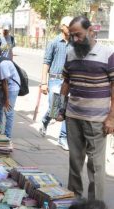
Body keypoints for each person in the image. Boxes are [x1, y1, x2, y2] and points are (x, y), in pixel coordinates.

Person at [58, 16, 114, 200]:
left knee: (96, 167)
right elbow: (66, 82)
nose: (75, 40)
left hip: (98, 121)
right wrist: (58, 109)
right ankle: (74, 200)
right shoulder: (70, 53)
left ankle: (95, 204)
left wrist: (111, 118)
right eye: (72, 36)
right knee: (75, 162)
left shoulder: (108, 54)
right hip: (73, 116)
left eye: (78, 35)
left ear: (91, 31)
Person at [39, 16, 73, 151]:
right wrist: (43, 83)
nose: (71, 29)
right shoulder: (54, 42)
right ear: (62, 27)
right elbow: (46, 63)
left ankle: (62, 137)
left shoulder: (75, 44)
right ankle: (45, 120)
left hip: (69, 80)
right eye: (69, 26)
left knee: (67, 109)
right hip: (55, 79)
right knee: (55, 108)